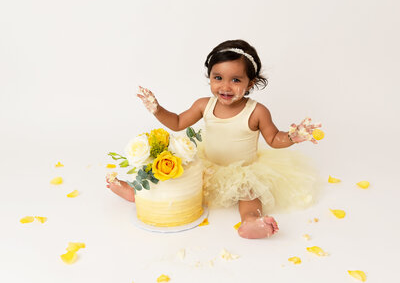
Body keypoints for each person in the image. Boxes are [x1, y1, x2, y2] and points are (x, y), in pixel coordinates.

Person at [106, 39, 322, 239]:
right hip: (207, 164)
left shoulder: (257, 111)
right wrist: (157, 109)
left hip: (244, 169)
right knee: (176, 180)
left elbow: (274, 139)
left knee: (250, 193)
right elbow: (178, 122)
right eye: (218, 78)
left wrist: (293, 136)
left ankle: (251, 220)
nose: (225, 87)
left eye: (235, 80)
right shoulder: (204, 105)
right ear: (209, 77)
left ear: (250, 83)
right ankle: (136, 192)